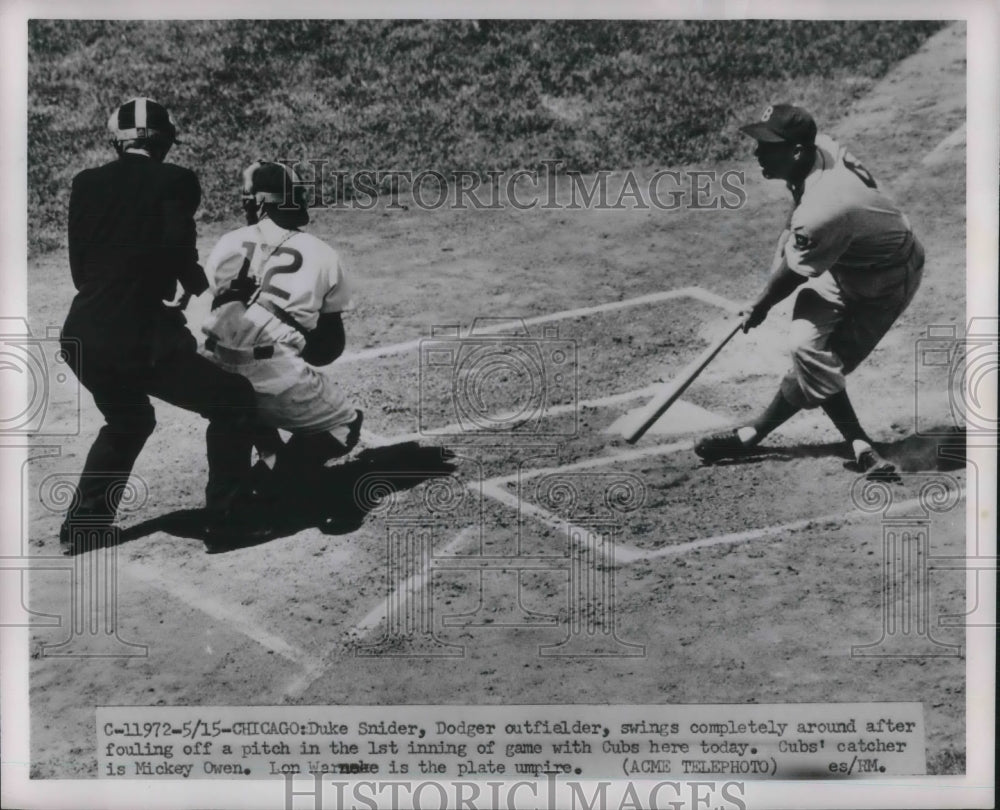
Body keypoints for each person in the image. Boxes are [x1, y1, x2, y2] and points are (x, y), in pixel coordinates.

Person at [61, 97, 263, 554]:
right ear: (163, 140)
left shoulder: (85, 183)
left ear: (119, 141)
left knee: (128, 418)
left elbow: (80, 269)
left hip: (82, 334)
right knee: (233, 400)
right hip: (136, 339)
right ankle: (226, 523)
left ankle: (83, 528)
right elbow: (177, 247)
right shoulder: (176, 180)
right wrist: (198, 289)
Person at [694, 104, 924, 479]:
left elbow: (794, 272)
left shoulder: (825, 208)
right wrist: (768, 286)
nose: (757, 153)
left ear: (796, 152)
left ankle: (755, 433)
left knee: (821, 361)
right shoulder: (822, 150)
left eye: (767, 146)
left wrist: (761, 306)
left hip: (887, 282)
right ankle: (858, 444)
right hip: (843, 261)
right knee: (807, 350)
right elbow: (799, 220)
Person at [199, 160, 363, 486]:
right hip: (273, 378)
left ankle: (265, 463)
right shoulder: (322, 252)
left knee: (243, 397)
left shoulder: (226, 243)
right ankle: (274, 482)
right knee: (346, 425)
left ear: (252, 205)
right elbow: (328, 350)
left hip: (209, 378)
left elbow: (210, 316)